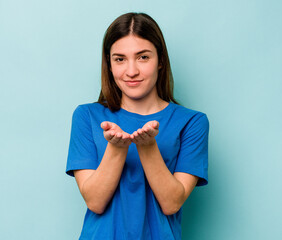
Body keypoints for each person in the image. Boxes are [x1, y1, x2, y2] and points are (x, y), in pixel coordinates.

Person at [66, 12, 209, 240]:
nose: (131, 71)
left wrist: (147, 147)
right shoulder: (86, 116)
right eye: (120, 59)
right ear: (109, 64)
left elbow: (172, 203)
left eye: (143, 57)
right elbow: (95, 201)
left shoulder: (192, 122)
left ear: (160, 60)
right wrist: (117, 148)